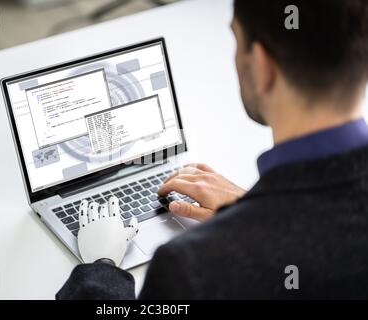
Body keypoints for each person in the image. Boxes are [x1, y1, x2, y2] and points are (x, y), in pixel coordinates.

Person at [57, 0, 368, 299]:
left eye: (236, 39)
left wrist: (101, 267)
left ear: (262, 67)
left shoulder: (192, 270)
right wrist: (254, 209)